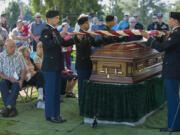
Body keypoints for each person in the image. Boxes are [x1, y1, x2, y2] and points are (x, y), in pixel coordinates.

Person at [141, 12, 180, 132]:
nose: (168, 21)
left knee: (173, 99)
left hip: (172, 71)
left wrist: (149, 39)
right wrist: (162, 36)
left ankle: (173, 126)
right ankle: (175, 124)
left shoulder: (176, 34)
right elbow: (169, 44)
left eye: (170, 19)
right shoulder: (175, 34)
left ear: (175, 21)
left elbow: (162, 47)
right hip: (174, 70)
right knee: (174, 98)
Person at [40, 10, 75, 123]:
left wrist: (76, 39)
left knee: (56, 91)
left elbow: (63, 43)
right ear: (50, 18)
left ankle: (56, 114)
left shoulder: (54, 30)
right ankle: (50, 115)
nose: (58, 20)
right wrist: (60, 36)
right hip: (50, 66)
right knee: (50, 92)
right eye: (57, 18)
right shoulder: (45, 30)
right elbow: (48, 45)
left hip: (57, 65)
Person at [0, 39, 26, 117]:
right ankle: (11, 108)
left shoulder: (19, 55)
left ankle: (7, 108)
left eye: (14, 47)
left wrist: (21, 80)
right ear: (5, 47)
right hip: (6, 78)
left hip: (17, 79)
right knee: (2, 83)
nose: (13, 49)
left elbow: (24, 69)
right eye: (11, 47)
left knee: (16, 85)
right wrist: (8, 78)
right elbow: (0, 73)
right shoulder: (1, 56)